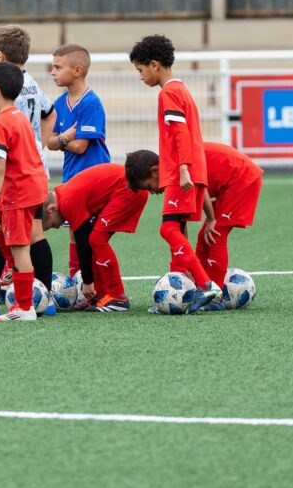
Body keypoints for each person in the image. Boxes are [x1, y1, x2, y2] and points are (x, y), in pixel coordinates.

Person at [128, 34, 221, 314]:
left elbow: (179, 133)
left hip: (183, 172)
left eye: (140, 70)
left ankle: (207, 286)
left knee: (167, 228)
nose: (141, 76)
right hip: (193, 170)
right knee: (178, 229)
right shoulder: (182, 90)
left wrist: (181, 169)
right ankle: (185, 291)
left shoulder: (168, 92)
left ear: (154, 65)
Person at [124, 143, 263, 294]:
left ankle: (214, 295)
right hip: (232, 182)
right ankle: (200, 286)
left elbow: (199, 186)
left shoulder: (177, 171)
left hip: (242, 179)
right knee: (204, 236)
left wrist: (212, 219)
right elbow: (180, 224)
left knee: (216, 235)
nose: (152, 192)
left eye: (149, 187)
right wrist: (183, 268)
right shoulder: (172, 169)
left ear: (155, 170)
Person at [0, 24, 55, 293]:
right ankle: (38, 295)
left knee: (16, 236)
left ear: (0, 56)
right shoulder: (31, 83)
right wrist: (39, 146)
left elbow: (2, 151)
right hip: (34, 168)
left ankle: (22, 295)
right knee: (31, 235)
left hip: (17, 175)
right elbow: (50, 113)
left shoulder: (5, 87)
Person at [0, 62, 49, 322]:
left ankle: (24, 307)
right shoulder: (19, 116)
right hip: (34, 185)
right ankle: (12, 268)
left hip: (20, 191)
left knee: (21, 247)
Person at [42, 163, 148, 312]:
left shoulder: (67, 201)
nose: (57, 227)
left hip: (129, 189)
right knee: (94, 239)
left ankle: (118, 298)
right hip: (123, 189)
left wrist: (87, 281)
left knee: (96, 239)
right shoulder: (65, 195)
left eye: (52, 225)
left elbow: (83, 242)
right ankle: (101, 295)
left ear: (51, 209)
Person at [47, 43, 110, 285]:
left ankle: (98, 283)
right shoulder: (61, 103)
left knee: (91, 236)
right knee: (74, 232)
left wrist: (61, 140)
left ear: (78, 70)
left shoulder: (90, 103)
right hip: (71, 179)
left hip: (93, 180)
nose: (53, 72)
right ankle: (78, 280)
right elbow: (49, 142)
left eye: (58, 67)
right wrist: (65, 137)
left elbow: (82, 146)